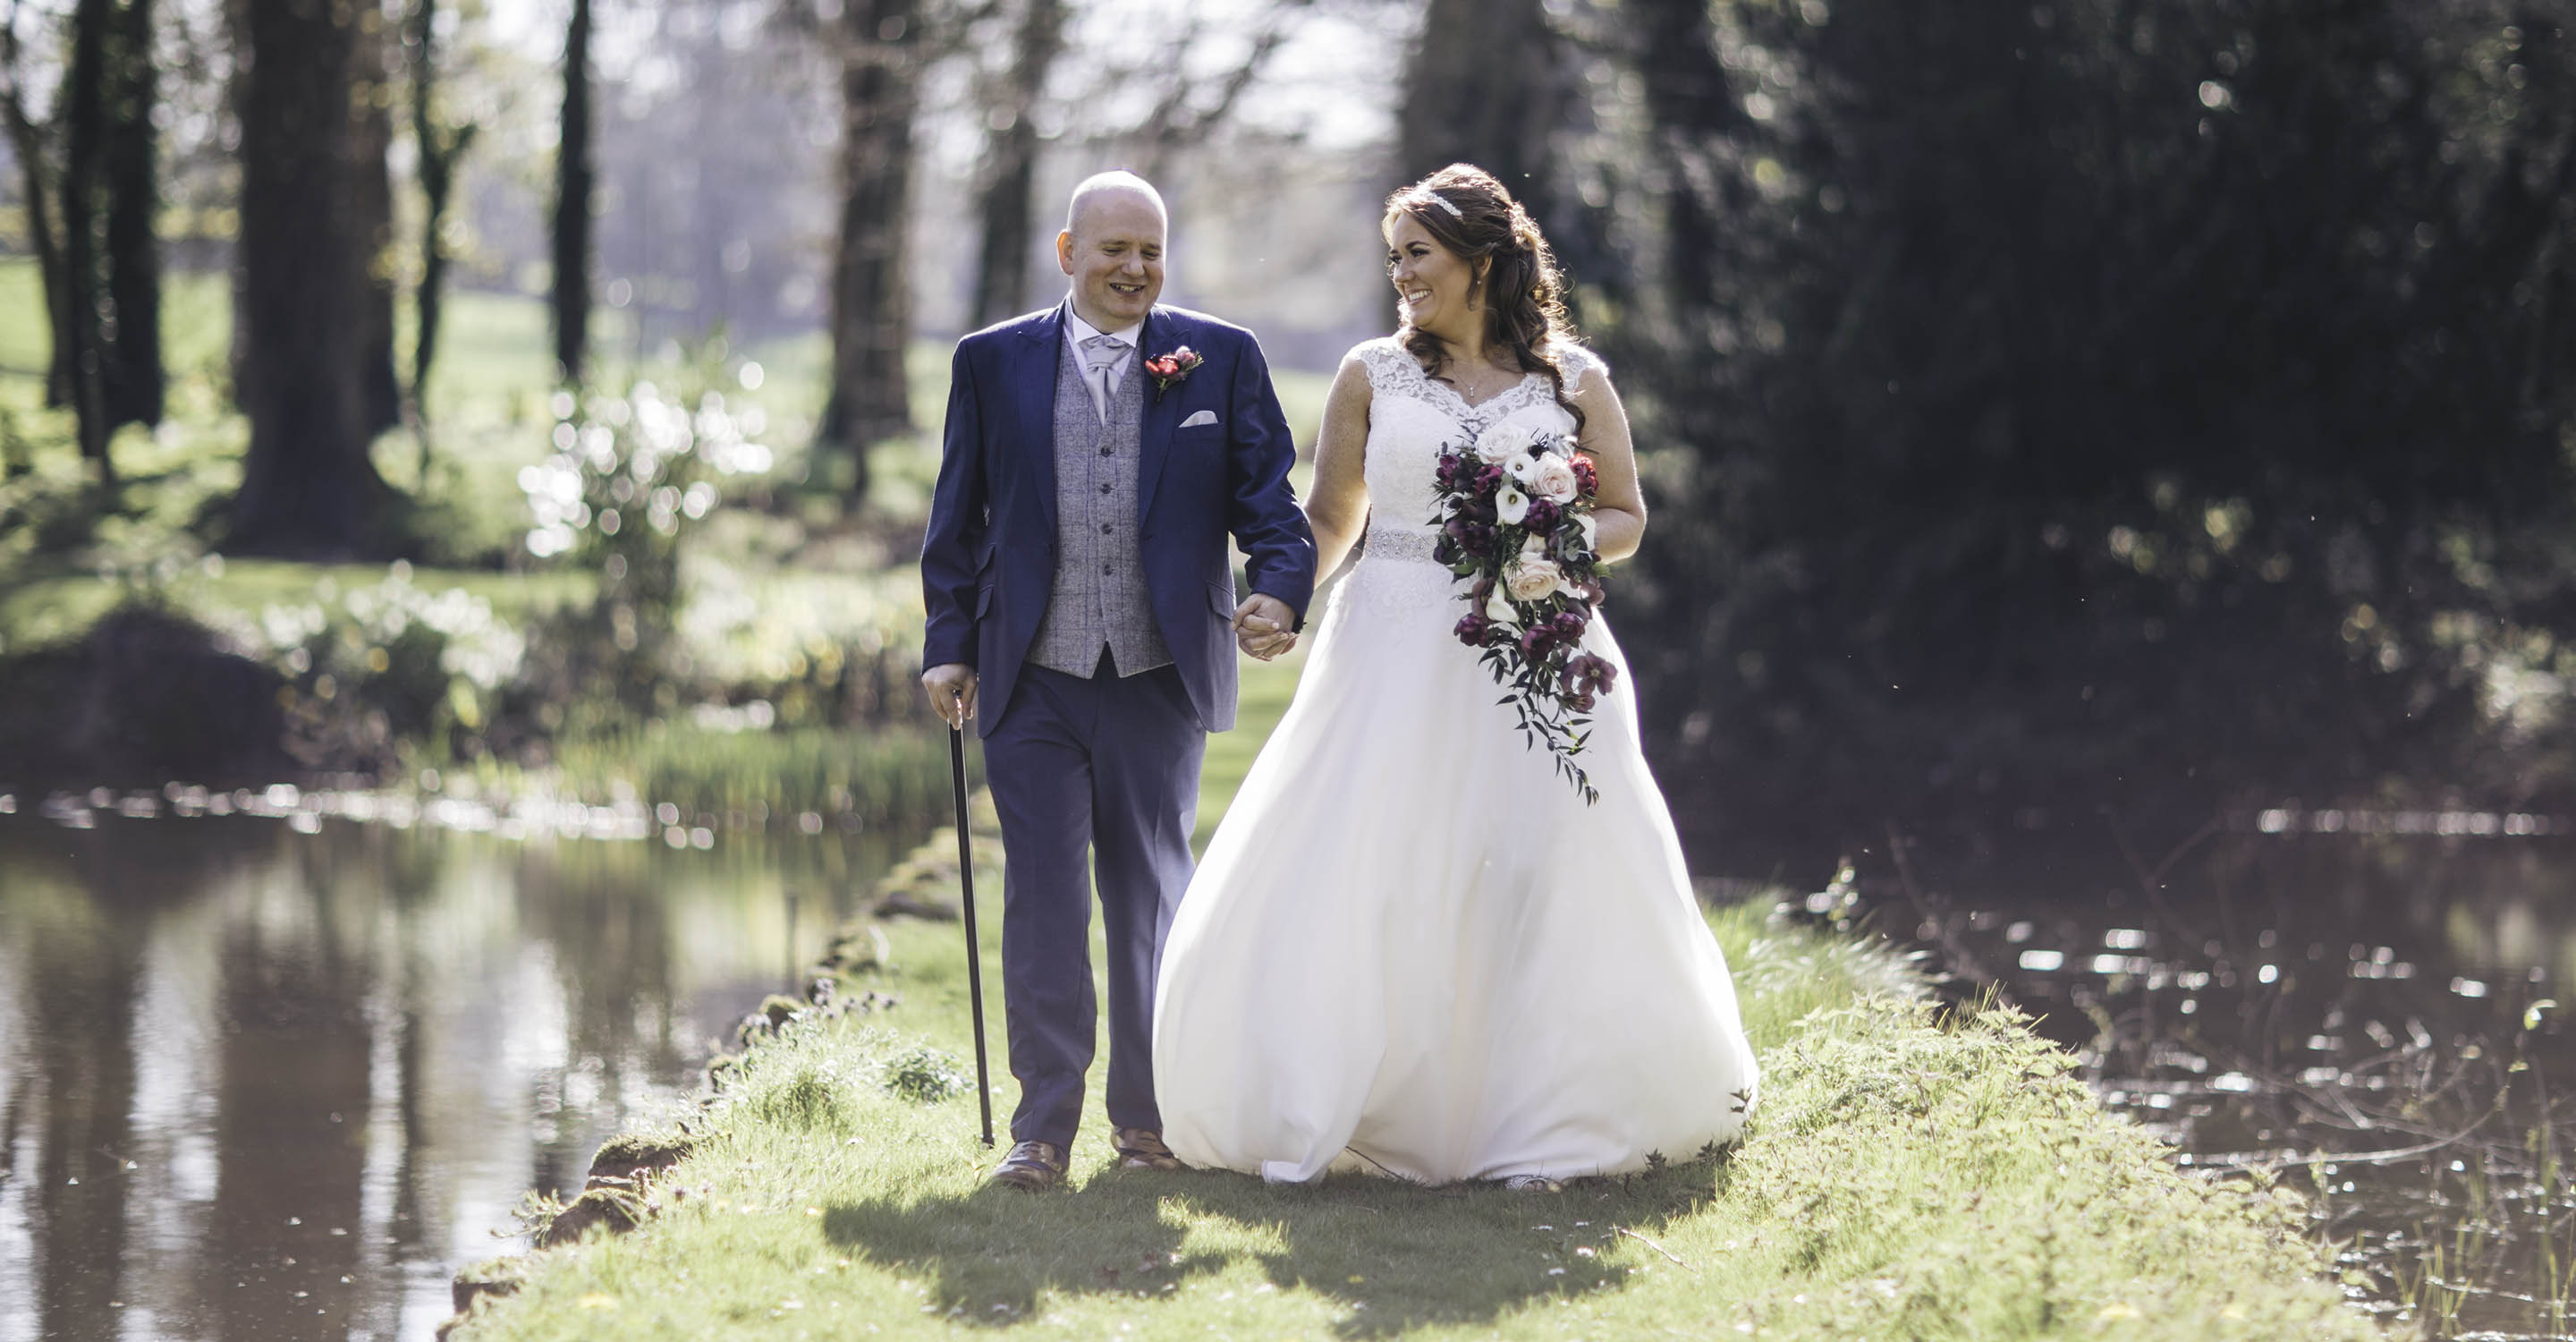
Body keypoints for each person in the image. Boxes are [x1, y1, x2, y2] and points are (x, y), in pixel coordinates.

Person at [1149, 164, 1758, 1190]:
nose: (1402, 276)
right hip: (1389, 648)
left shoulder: (1574, 382)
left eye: (1417, 255)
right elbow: (1333, 515)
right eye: (1394, 259)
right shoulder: (1370, 374)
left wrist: (1545, 534)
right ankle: (1365, 1093)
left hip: (1534, 646)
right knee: (1378, 862)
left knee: (1541, 863)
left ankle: (1537, 1106)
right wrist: (1281, 597)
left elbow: (1627, 522)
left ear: (1483, 261)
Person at [918, 171, 1318, 1191]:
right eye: (1115, 251)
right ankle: (1042, 1129)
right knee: (1046, 902)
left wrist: (1277, 591)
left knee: (1146, 899)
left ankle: (1146, 1122)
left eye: (1151, 250)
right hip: (1031, 673)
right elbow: (956, 518)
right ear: (1067, 254)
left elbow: (1271, 502)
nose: (1136, 268)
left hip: (1158, 673)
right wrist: (948, 641)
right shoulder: (991, 361)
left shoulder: (1220, 358)